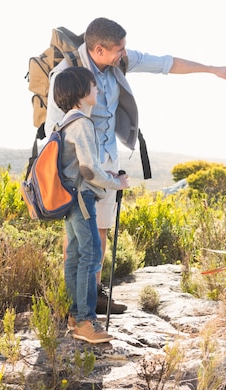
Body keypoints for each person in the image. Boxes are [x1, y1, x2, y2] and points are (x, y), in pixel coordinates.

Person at [46, 17, 226, 315]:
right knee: (76, 237)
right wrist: (62, 176)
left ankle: (95, 295)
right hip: (79, 167)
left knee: (100, 231)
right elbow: (53, 127)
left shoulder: (118, 60)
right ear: (98, 49)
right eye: (118, 50)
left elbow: (165, 63)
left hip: (108, 162)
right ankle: (75, 301)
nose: (124, 54)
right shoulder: (67, 73)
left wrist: (213, 70)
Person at [53, 66, 129, 344]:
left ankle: (75, 316)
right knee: (91, 256)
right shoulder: (83, 124)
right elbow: (88, 170)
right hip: (82, 199)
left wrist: (107, 176)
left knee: (75, 256)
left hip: (70, 200)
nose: (97, 90)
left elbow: (81, 166)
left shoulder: (64, 122)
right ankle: (85, 322)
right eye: (94, 86)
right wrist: (116, 184)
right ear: (82, 92)